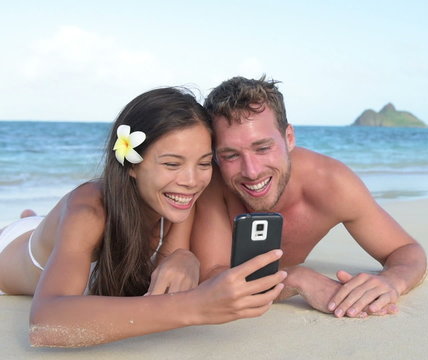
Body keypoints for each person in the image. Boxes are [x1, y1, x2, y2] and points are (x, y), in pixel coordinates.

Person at [0, 87, 286, 347]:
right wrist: (195, 306)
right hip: (10, 253)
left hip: (55, 231)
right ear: (132, 165)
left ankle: (32, 217)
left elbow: (175, 257)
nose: (191, 180)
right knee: (43, 228)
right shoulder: (89, 212)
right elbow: (46, 324)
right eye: (172, 163)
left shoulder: (180, 200)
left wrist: (187, 256)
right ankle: (26, 220)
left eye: (203, 163)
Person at [191, 76, 426, 319]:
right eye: (230, 155)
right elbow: (209, 277)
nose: (251, 171)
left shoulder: (330, 184)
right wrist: (295, 278)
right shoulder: (213, 184)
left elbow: (406, 249)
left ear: (289, 138)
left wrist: (391, 281)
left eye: (262, 148)